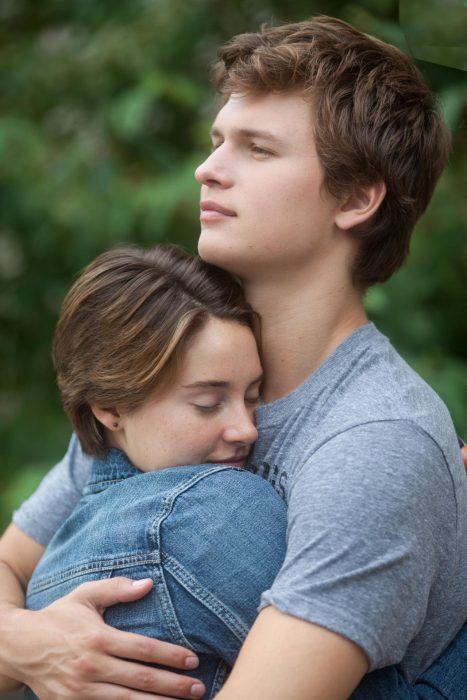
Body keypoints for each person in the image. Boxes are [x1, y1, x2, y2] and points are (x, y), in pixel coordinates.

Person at [0, 14, 466, 700]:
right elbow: (10, 563)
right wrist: (31, 645)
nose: (207, 169)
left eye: (257, 149)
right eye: (218, 141)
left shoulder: (374, 444)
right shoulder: (168, 369)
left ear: (357, 197)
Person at [22, 243, 287, 700]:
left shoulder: (108, 463)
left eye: (253, 394)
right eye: (208, 404)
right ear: (111, 408)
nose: (246, 429)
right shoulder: (211, 514)